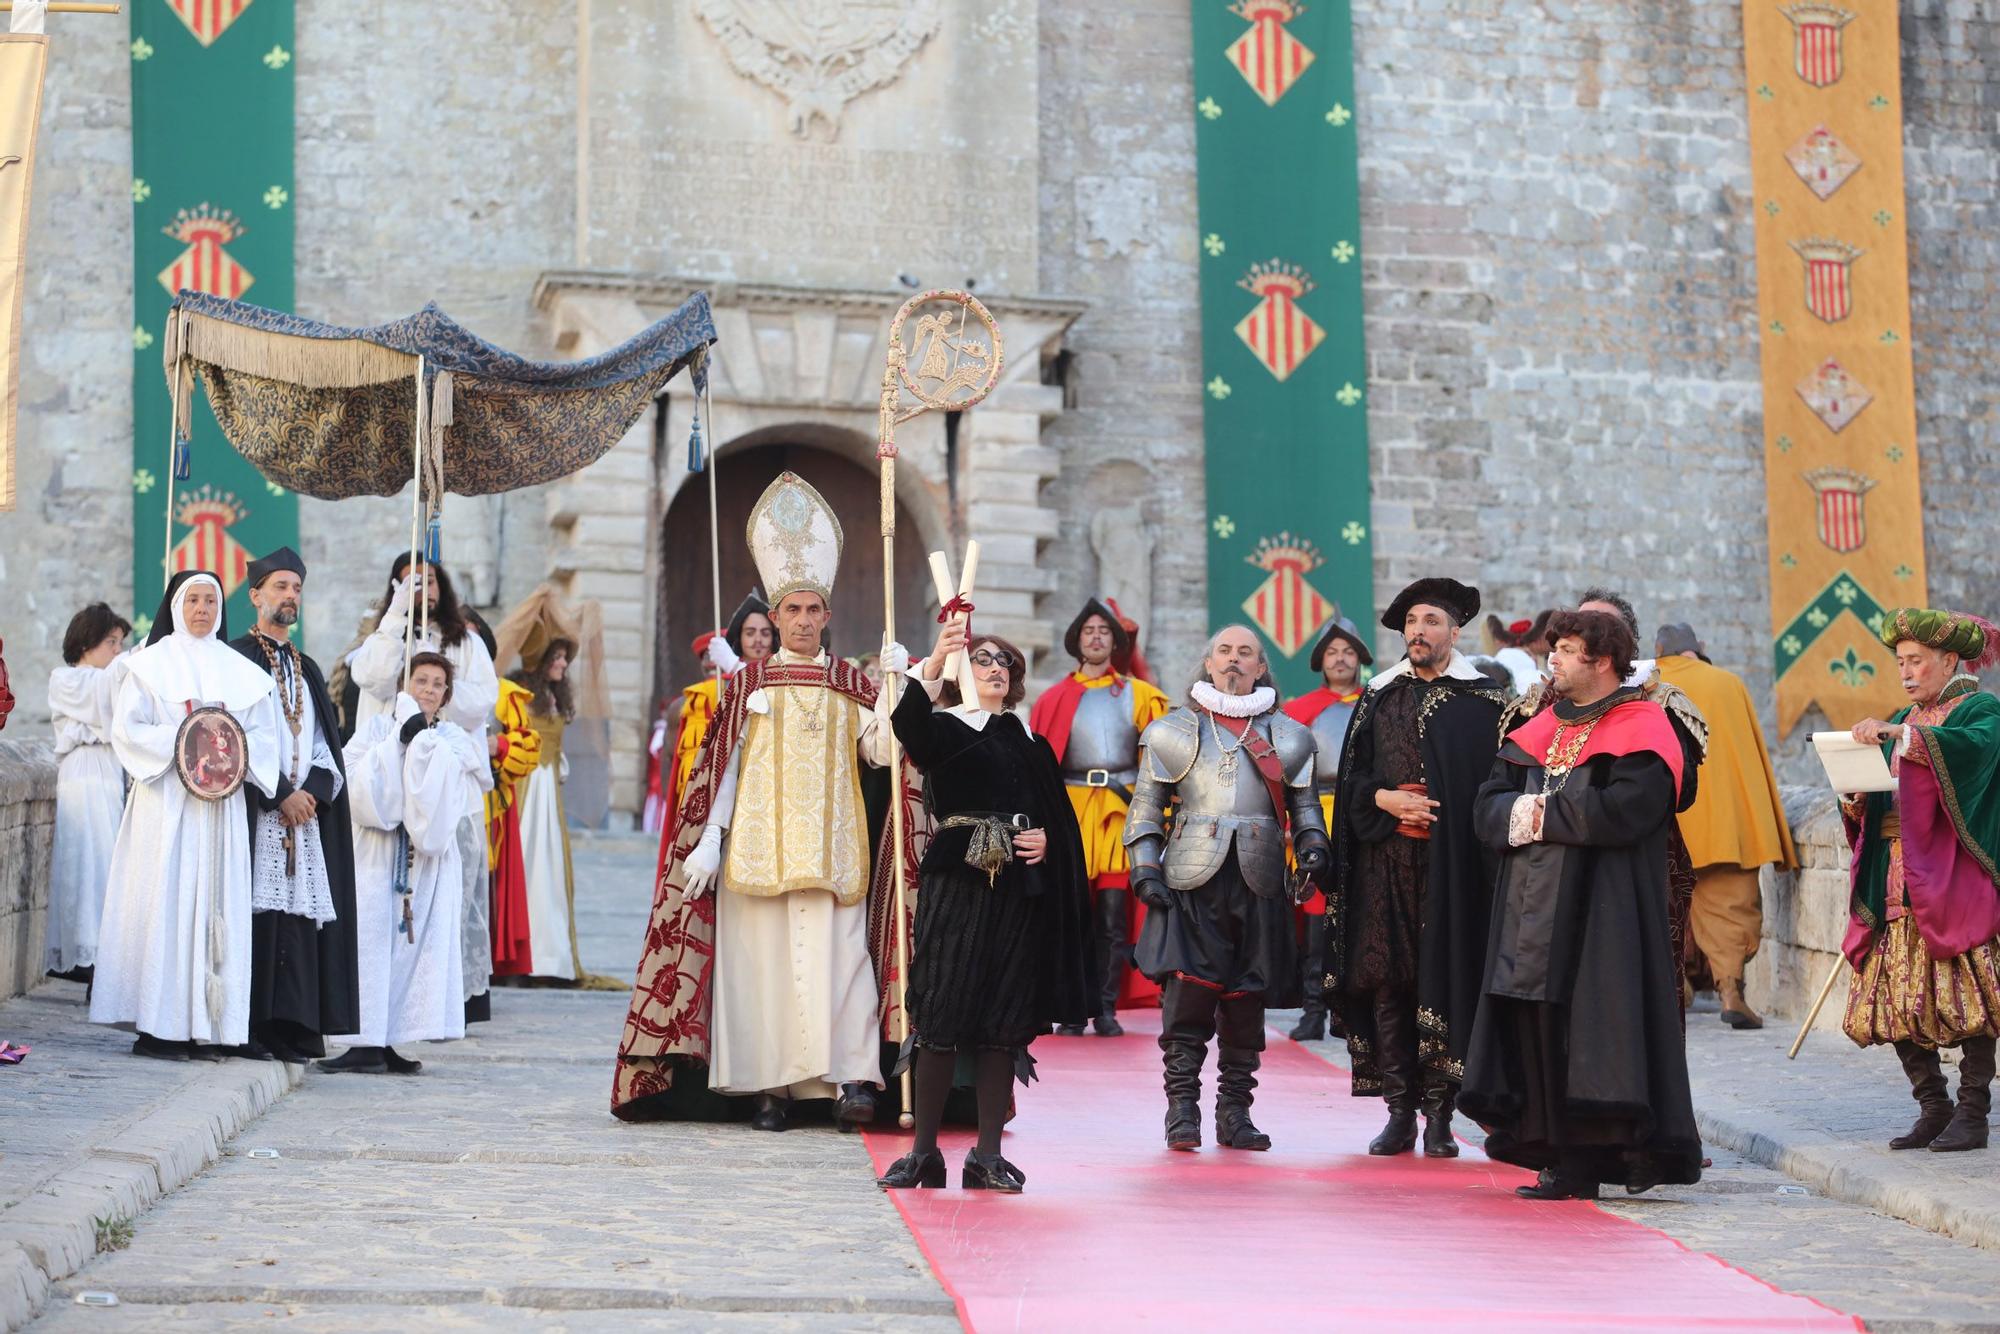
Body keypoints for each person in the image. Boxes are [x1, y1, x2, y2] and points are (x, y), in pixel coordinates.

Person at [614, 472, 891, 1132]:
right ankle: (769, 1091)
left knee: (843, 969)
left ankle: (851, 1082)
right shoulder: (748, 688)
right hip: (753, 853)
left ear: (826, 616)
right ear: (775, 618)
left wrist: (902, 690)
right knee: (760, 974)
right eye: (789, 611)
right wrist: (710, 837)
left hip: (834, 852)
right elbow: (722, 769)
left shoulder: (853, 685)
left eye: (810, 611)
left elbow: (882, 756)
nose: (800, 621)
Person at [1461, 610, 1703, 1200]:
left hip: (1602, 909)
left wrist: (1542, 816)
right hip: (1529, 909)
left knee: (1599, 1030)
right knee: (1538, 1027)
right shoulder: (1539, 726)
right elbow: (1487, 801)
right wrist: (1516, 815)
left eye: (1566, 650)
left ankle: (1609, 1153)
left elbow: (1634, 808)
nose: (1554, 660)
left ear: (1601, 660)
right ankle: (1559, 1155)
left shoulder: (1644, 723)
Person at [875, 617, 1096, 1192]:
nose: (997, 668)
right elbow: (909, 730)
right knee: (943, 1012)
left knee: (1003, 1020)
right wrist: (931, 664)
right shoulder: (946, 728)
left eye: (1006, 663)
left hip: (1018, 891)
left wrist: (1047, 839)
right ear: (960, 674)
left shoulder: (1029, 742)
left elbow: (1058, 821)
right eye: (984, 659)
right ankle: (924, 1154)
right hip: (960, 880)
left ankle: (987, 1155)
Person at [1127, 626, 1329, 1152]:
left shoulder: (1290, 734)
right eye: (1224, 652)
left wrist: (1314, 847)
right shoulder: (1173, 730)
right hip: (1190, 878)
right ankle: (1182, 1112)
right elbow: (1146, 809)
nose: (1234, 661)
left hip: (1261, 877)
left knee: (1247, 1000)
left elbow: (1306, 808)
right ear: (1208, 662)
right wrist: (1146, 868)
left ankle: (1235, 1114)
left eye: (1245, 654)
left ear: (1262, 668)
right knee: (1189, 996)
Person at [1327, 579, 1505, 1158]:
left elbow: (1495, 786)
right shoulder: (1379, 698)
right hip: (1385, 867)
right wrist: (1384, 801)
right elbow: (1352, 781)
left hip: (1452, 869)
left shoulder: (1485, 703)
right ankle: (1399, 1112)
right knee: (1387, 980)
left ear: (1455, 632)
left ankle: (1440, 1116)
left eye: (1431, 621)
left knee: (1447, 978)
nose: (1418, 631)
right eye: (1411, 623)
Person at [90, 573, 281, 1059]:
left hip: (221, 812)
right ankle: (159, 1027)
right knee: (165, 908)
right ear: (176, 606)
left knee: (217, 910)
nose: (202, 608)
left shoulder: (242, 672)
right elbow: (129, 729)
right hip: (168, 806)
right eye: (193, 599)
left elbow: (264, 739)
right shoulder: (149, 666)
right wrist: (187, 743)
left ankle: (209, 1027)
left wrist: (229, 752)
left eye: (211, 600)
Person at [1839, 608, 2000, 1154]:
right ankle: (1934, 1106)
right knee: (1894, 992)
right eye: (1901, 662)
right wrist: (1858, 796)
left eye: (1916, 661)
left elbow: (1975, 754)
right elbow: (1887, 791)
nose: (1906, 673)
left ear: (1949, 659)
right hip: (1894, 877)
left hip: (1951, 875)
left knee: (1969, 994)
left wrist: (1903, 738)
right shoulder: (1902, 713)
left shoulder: (1979, 708)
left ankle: (1974, 1110)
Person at [347, 555, 498, 1021]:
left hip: (447, 781)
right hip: (391, 783)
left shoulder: (466, 641)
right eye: (411, 580)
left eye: (429, 579)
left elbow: (481, 703)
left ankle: (447, 999)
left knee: (454, 891)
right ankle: (378, 1002)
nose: (422, 588)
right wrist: (395, 618)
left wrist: (431, 700)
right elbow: (368, 677)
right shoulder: (386, 637)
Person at [227, 547, 361, 1063]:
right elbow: (233, 738)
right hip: (259, 808)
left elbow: (327, 745)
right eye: (280, 587)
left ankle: (295, 1027)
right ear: (256, 594)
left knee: (299, 922)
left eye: (296, 588)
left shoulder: (305, 668)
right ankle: (253, 1027)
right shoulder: (236, 659)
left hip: (302, 816)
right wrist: (280, 793)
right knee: (261, 918)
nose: (290, 596)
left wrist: (315, 794)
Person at [324, 652, 482, 1073]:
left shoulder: (451, 739)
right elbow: (352, 774)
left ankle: (390, 1039)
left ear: (445, 694)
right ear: (404, 687)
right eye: (421, 681)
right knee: (370, 942)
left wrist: (422, 742)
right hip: (376, 852)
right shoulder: (377, 728)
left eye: (436, 684)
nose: (428, 690)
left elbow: (442, 795)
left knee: (411, 952)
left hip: (425, 865)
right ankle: (363, 1042)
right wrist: (399, 742)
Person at [1028, 598, 1171, 1037]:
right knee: (1072, 914)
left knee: (1113, 915)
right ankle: (1072, 1006)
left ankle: (1105, 1006)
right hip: (1069, 812)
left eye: (1104, 631)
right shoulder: (1054, 698)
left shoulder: (1142, 696)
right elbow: (1039, 765)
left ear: (1115, 641)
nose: (1095, 636)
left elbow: (1163, 756)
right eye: (1088, 630)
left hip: (1118, 810)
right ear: (1076, 640)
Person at [1653, 622, 1796, 1029]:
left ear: (1659, 650)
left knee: (1666, 907)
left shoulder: (1647, 687)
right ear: (1698, 648)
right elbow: (1749, 756)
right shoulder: (1727, 683)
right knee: (1732, 909)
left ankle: (1674, 986)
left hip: (1666, 823)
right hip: (1724, 825)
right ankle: (1732, 992)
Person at [491, 585, 603, 984]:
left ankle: (549, 957)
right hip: (525, 790)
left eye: (563, 658)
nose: (561, 665)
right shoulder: (519, 697)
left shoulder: (556, 698)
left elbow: (555, 742)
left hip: (548, 791)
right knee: (524, 866)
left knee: (549, 872)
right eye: (555, 657)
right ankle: (518, 957)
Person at [1279, 612, 1372, 1042]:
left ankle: (1353, 1012)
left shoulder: (1375, 705)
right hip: (1314, 811)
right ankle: (1313, 1009)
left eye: (1347, 651)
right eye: (1332, 652)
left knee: (1361, 912)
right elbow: (1284, 771)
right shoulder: (1299, 711)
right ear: (1321, 660)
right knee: (1316, 916)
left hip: (1361, 812)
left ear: (1359, 658)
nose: (1340, 658)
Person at [46, 603, 131, 984]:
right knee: (86, 863)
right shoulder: (66, 679)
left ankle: (102, 951)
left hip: (109, 771)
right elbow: (104, 694)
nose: (116, 650)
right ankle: (82, 952)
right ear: (87, 643)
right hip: (83, 771)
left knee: (108, 864)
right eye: (110, 641)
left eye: (119, 643)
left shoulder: (109, 679)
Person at [665, 593, 773, 822]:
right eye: (750, 633)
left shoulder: (783, 673)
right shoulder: (715, 688)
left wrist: (735, 666)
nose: (758, 640)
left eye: (765, 633)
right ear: (740, 638)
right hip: (726, 784)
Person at [486, 673, 542, 980]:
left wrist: (500, 745)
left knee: (486, 880)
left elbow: (527, 744)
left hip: (490, 801)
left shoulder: (506, 694)